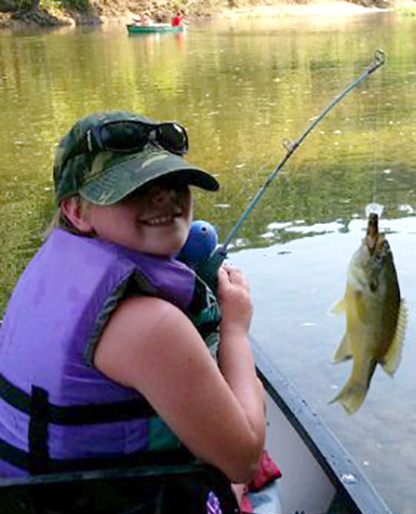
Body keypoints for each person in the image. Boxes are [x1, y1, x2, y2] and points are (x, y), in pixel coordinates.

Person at [0, 111, 266, 493]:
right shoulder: (153, 324)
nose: (165, 196)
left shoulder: (51, 266)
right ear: (77, 209)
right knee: (252, 422)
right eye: (133, 188)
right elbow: (244, 460)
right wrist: (235, 331)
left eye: (176, 181)